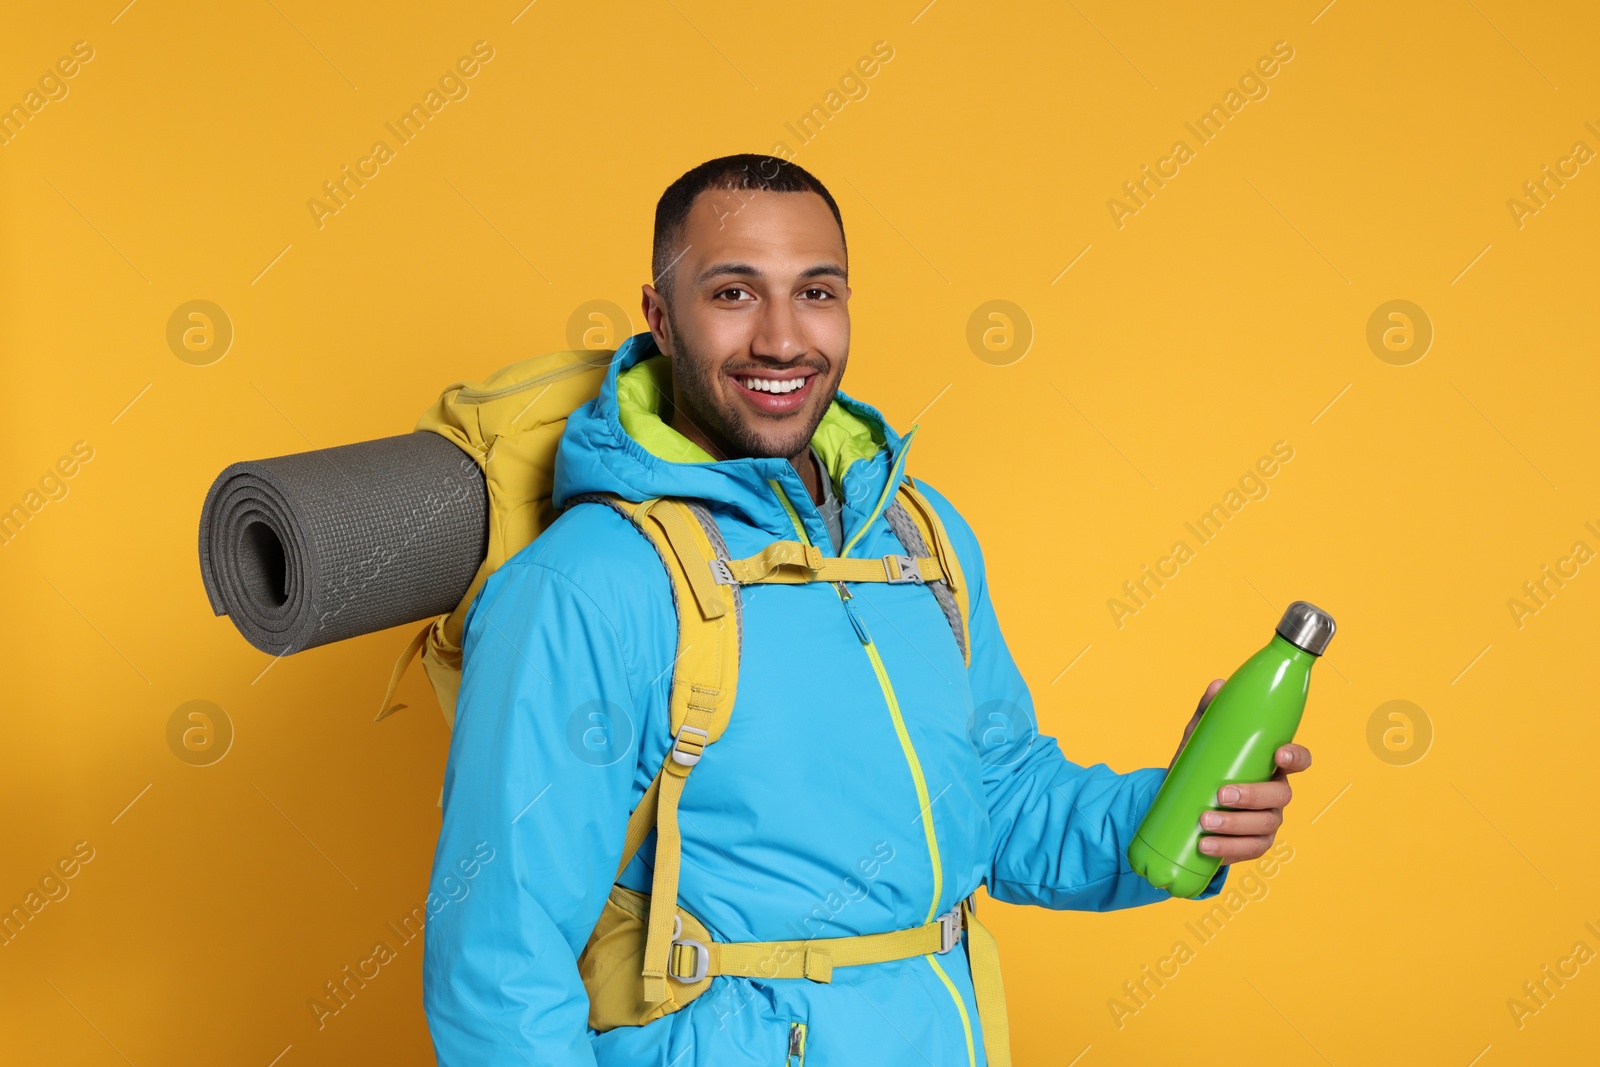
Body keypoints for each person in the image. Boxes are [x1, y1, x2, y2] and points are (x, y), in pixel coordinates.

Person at [421, 154, 1312, 1066]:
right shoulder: (590, 584)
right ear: (658, 315)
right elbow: (499, 960)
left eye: (816, 292)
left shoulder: (920, 536)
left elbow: (999, 797)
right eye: (733, 294)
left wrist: (1172, 810)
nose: (781, 339)